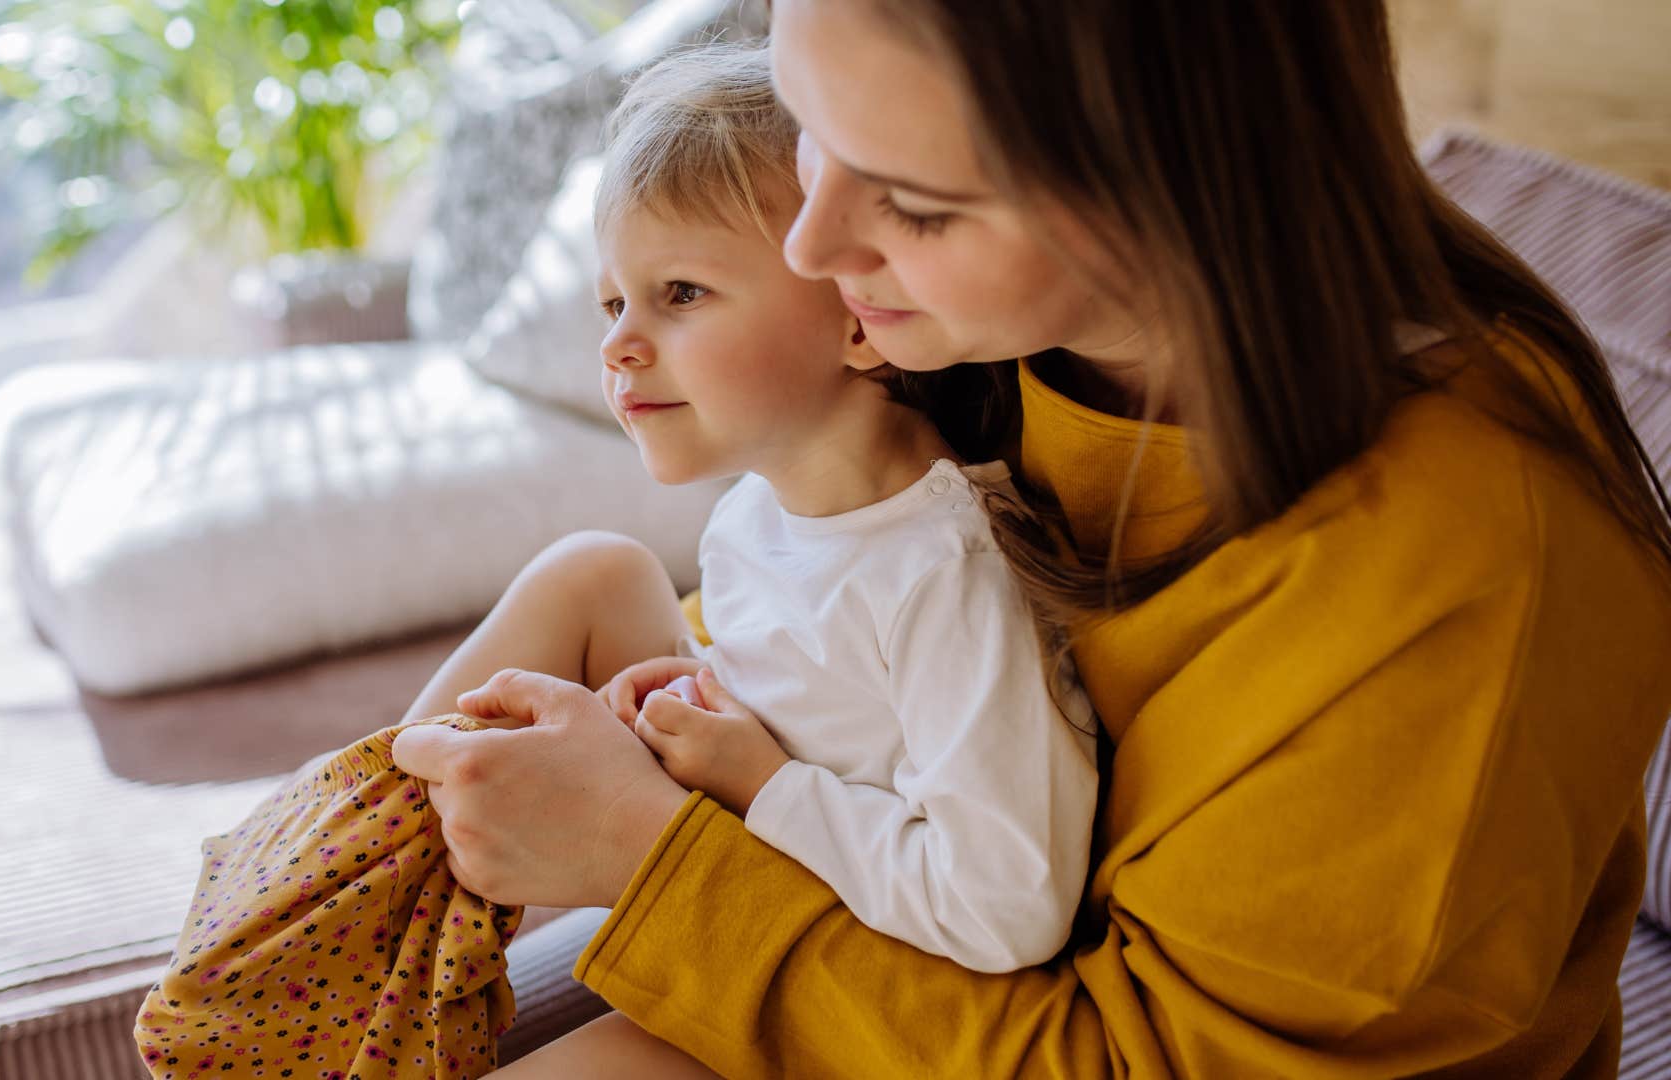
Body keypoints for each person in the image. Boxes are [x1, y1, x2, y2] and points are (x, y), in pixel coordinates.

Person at [397, 2, 1671, 1075]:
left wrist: (646, 852)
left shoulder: (1460, 569)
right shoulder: (995, 336)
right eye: (813, 136)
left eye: (912, 199)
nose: (811, 247)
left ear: (1170, 171)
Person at [398, 41, 1100, 990]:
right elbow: (825, 711)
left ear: (859, 314)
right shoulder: (755, 517)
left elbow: (1005, 908)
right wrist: (698, 701)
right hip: (774, 861)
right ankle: (359, 873)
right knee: (593, 570)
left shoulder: (943, 571)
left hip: (874, 973)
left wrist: (761, 782)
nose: (616, 344)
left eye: (680, 292)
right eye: (613, 301)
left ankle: (357, 908)